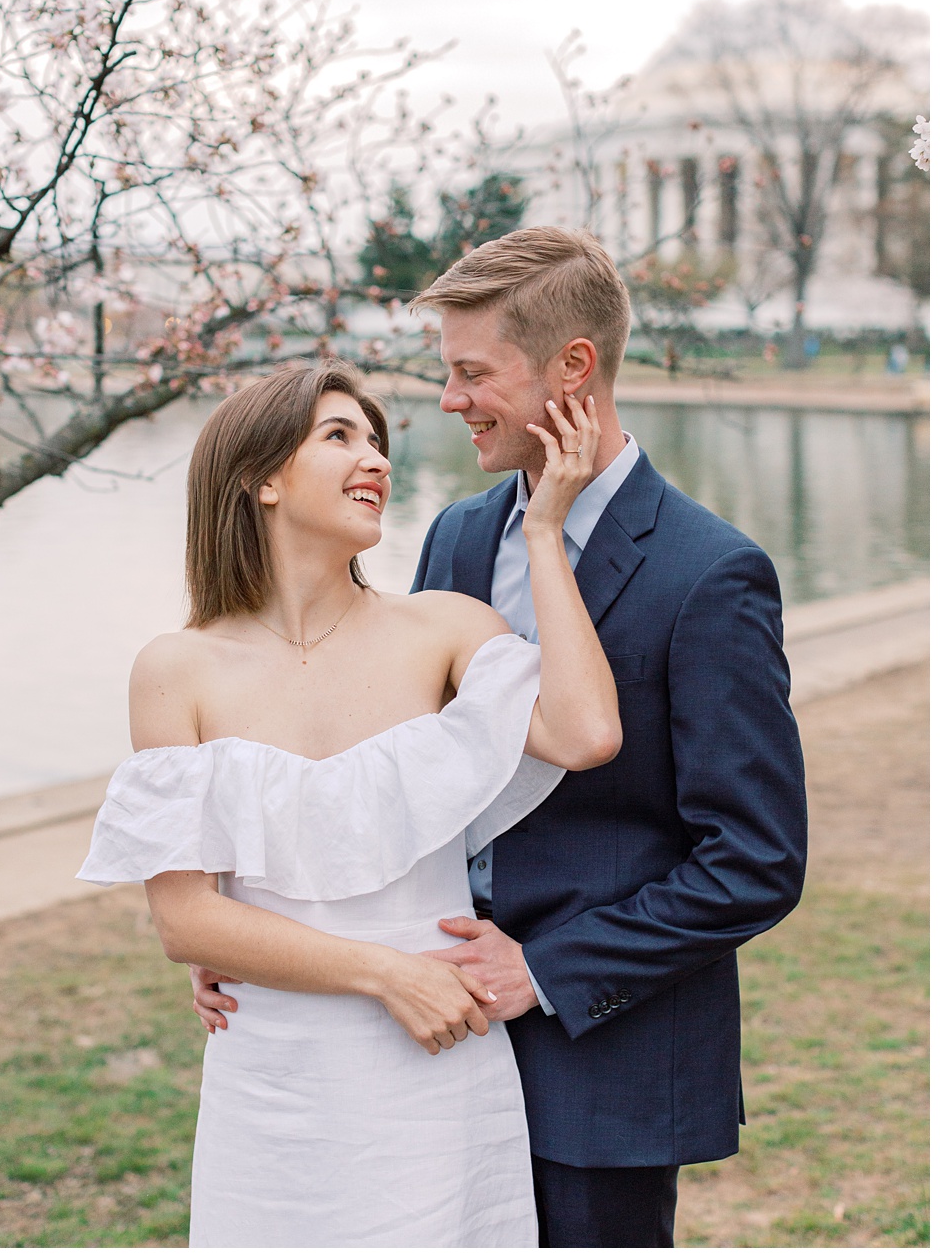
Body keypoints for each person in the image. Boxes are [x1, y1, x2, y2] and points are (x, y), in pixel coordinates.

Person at [188, 227, 807, 1246]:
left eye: (471, 373)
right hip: (407, 1047)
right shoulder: (456, 537)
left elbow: (755, 860)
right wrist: (250, 921)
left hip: (595, 1070)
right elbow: (396, 768)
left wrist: (546, 970)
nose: (446, 401)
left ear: (571, 370)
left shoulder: (708, 574)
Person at [79, 354, 621, 1245]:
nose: (376, 458)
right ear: (259, 478)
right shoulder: (175, 669)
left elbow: (587, 731)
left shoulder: (443, 627)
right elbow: (186, 921)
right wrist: (389, 974)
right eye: (339, 436)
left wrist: (544, 533)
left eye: (375, 439)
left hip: (441, 1066)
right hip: (278, 1078)